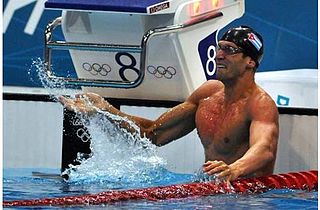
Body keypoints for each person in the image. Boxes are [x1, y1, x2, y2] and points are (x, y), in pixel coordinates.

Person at [59, 26, 279, 182]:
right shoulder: (207, 94)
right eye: (220, 47)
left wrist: (234, 169)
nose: (219, 55)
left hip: (248, 196)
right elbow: (153, 133)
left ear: (250, 61)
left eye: (230, 50)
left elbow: (264, 149)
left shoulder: (260, 104)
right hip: (212, 191)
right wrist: (106, 110)